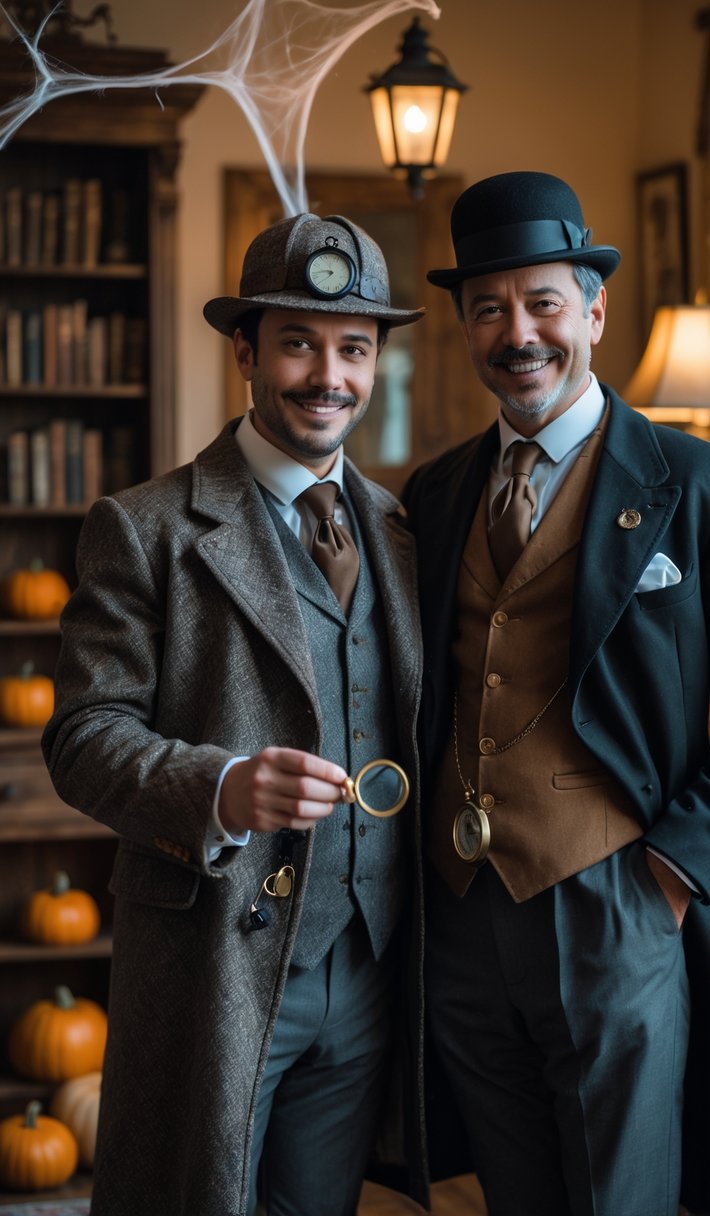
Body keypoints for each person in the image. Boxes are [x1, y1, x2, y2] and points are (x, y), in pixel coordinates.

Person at [402, 172, 710, 1216]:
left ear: (592, 310)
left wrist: (675, 869)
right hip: (459, 914)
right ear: (463, 327)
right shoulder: (433, 491)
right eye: (488, 307)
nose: (518, 331)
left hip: (619, 902)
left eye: (542, 301)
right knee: (514, 1195)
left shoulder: (703, 484)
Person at [42, 213, 429, 1216]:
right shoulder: (145, 526)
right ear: (246, 351)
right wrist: (219, 784)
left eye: (353, 348)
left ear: (377, 359)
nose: (327, 376)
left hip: (371, 961)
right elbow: (83, 737)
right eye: (298, 343)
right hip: (218, 958)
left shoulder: (402, 528)